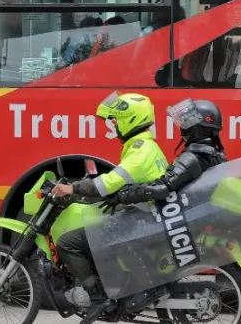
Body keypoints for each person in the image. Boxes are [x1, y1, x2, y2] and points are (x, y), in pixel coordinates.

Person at [50, 91, 169, 324]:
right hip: (146, 214)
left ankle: (97, 299)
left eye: (115, 120)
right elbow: (123, 180)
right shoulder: (147, 147)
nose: (113, 125)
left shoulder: (140, 150)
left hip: (139, 219)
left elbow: (109, 182)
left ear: (130, 119)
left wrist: (73, 189)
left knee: (68, 243)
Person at [98, 98, 228, 214]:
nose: (182, 126)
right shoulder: (217, 155)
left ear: (197, 127)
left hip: (175, 220)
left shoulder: (193, 157)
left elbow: (161, 188)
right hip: (194, 215)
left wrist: (122, 195)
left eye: (187, 122)